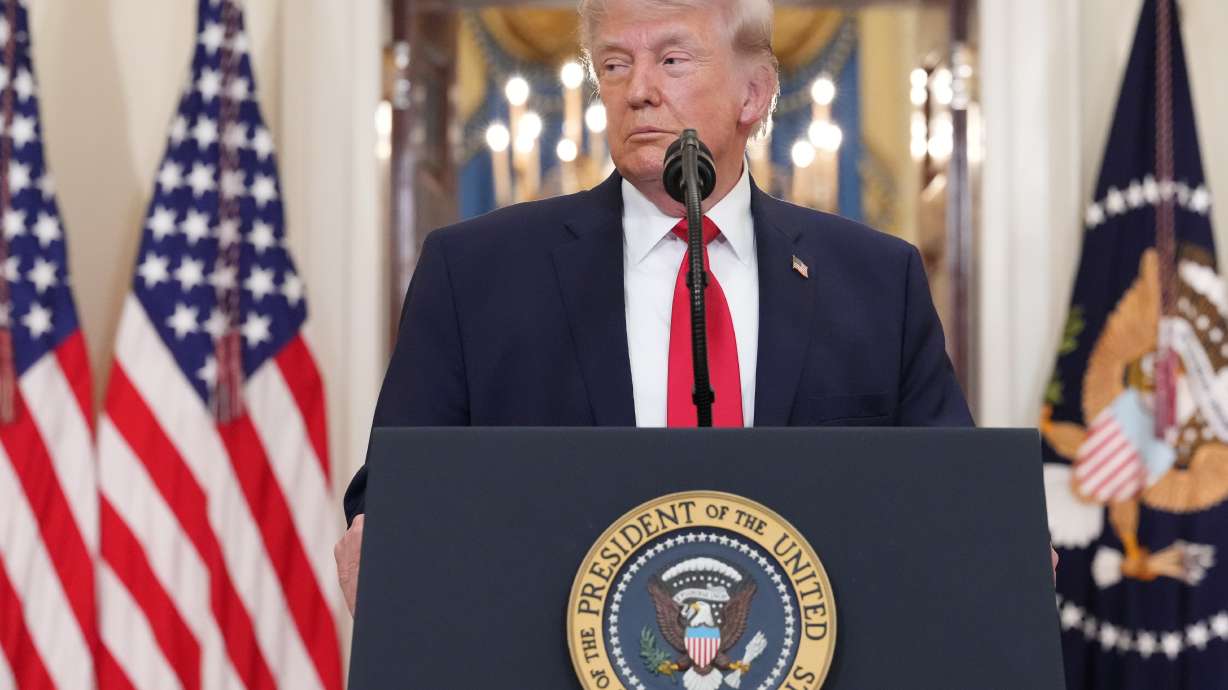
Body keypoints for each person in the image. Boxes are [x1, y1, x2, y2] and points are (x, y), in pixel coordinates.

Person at [335, 0, 979, 614]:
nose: (637, 89)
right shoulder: (476, 274)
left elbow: (952, 497)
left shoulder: (875, 279)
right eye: (614, 64)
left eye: (672, 60)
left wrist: (994, 539)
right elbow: (397, 493)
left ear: (752, 94)